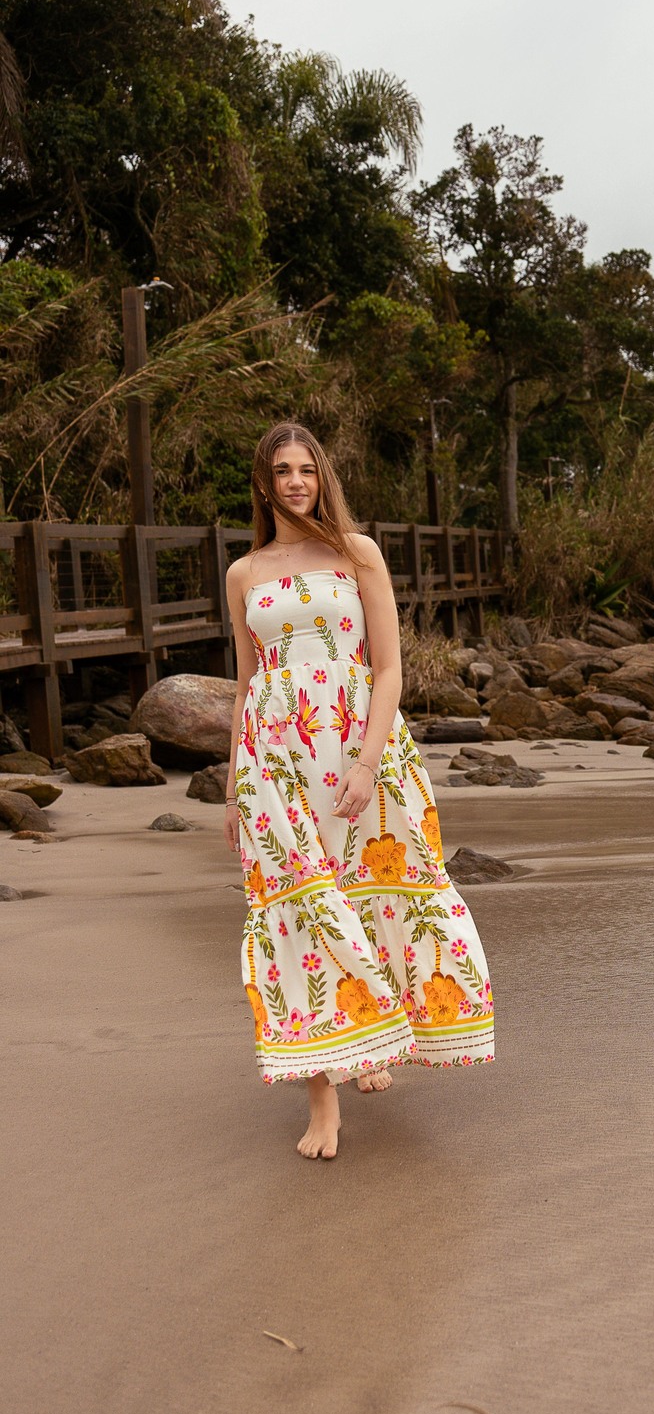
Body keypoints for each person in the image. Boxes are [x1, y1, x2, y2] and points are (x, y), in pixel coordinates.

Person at [223, 421, 494, 1159]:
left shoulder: (357, 552)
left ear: (323, 477)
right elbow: (247, 685)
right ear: (263, 483)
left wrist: (368, 762)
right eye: (282, 470)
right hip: (275, 760)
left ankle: (371, 1041)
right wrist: (234, 791)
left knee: (368, 893)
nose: (295, 482)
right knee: (301, 909)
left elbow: (388, 669)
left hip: (355, 746)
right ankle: (323, 1099)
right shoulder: (244, 573)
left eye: (306, 469)